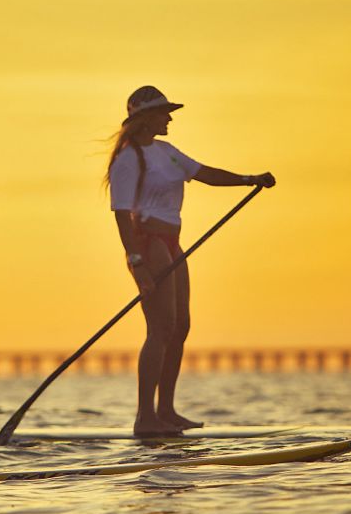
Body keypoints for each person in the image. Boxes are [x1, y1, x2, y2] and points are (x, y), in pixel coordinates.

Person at [106, 85, 275, 437]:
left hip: (173, 242)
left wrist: (249, 180)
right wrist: (136, 261)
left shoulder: (167, 152)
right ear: (145, 118)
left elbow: (205, 173)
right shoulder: (127, 158)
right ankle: (145, 417)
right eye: (164, 112)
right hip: (148, 244)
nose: (169, 118)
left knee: (181, 326)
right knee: (161, 328)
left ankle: (166, 411)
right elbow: (122, 215)